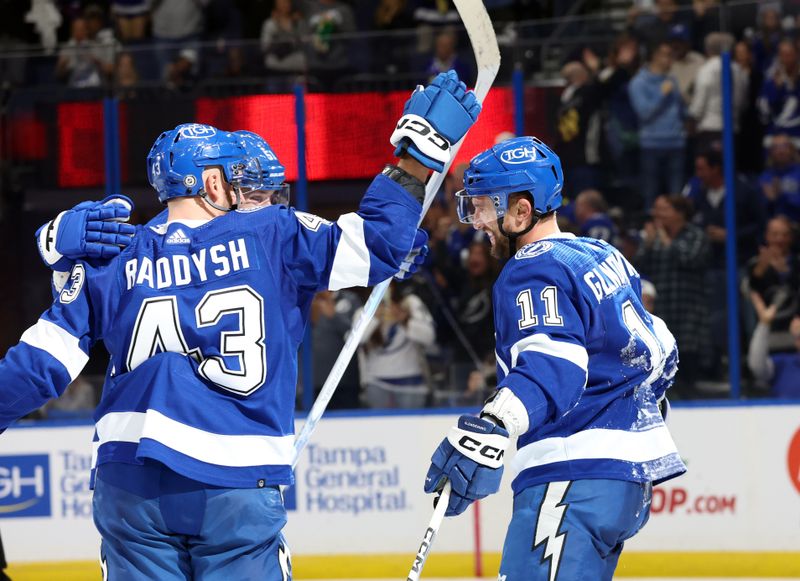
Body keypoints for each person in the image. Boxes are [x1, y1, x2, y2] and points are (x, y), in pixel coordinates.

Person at [2, 71, 481, 579]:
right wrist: (416, 154)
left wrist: (53, 246)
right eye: (235, 179)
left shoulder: (109, 255)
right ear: (212, 182)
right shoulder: (270, 231)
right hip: (234, 482)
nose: (249, 191)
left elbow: (40, 366)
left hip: (128, 482)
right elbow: (381, 241)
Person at [423, 136, 685, 580]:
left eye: (485, 207)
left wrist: (493, 427)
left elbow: (554, 366)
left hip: (570, 476)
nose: (477, 221)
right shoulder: (603, 256)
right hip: (622, 484)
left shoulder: (531, 268)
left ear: (522, 211)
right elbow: (662, 348)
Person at [629, 40, 687, 211]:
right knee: (651, 194)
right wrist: (662, 94)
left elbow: (680, 110)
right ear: (655, 57)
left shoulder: (671, 80)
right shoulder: (638, 82)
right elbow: (644, 113)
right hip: (652, 145)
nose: (671, 59)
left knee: (676, 197)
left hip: (676, 142)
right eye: (667, 55)